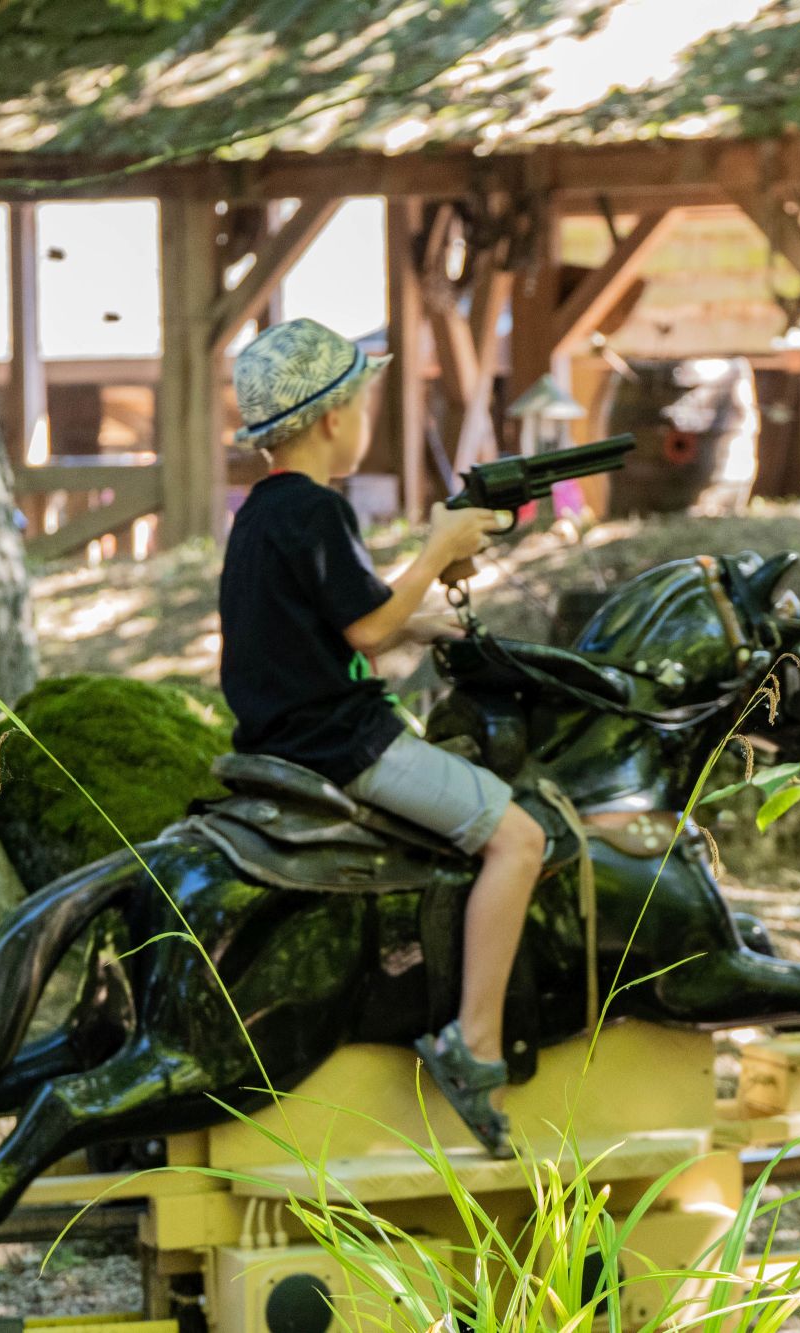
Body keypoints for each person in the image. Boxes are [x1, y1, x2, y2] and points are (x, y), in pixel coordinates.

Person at [218, 318, 546, 1155]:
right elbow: (366, 630)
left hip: (286, 732)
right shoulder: (319, 510)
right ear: (333, 418)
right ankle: (473, 1044)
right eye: (362, 402)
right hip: (344, 744)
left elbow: (337, 622)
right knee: (520, 838)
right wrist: (436, 548)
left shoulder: (263, 515)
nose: (366, 418)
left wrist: (427, 613)